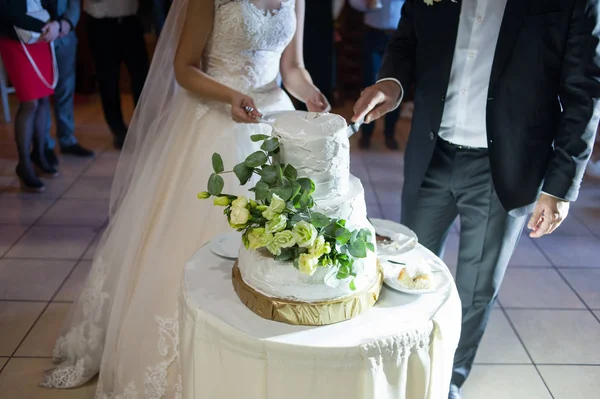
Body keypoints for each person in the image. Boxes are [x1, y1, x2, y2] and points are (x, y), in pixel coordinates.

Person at [41, 0, 330, 397]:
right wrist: (231, 94)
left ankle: (263, 345)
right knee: (199, 242)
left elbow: (291, 69)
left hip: (273, 115)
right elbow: (185, 67)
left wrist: (310, 93)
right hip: (215, 115)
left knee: (276, 241)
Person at [352, 1, 600, 398]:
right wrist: (391, 84)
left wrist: (558, 186)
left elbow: (583, 91)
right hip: (432, 153)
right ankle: (397, 373)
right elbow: (406, 41)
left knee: (474, 289)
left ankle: (445, 382)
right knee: (402, 273)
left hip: (505, 165)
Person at [0, 0, 61, 192]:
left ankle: (39, 154)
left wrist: (55, 24)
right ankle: (23, 164)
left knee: (43, 99)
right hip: (14, 36)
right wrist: (45, 27)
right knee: (30, 102)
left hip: (40, 36)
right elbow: (6, 10)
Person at [85, 0, 150, 149]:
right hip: (101, 23)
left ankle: (145, 127)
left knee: (142, 78)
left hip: (131, 21)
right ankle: (118, 130)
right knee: (108, 81)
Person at [42, 0, 95, 166]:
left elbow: (74, 5)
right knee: (41, 94)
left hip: (65, 37)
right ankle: (44, 145)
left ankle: (67, 140)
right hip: (37, 39)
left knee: (65, 89)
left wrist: (63, 24)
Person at [349, 0, 404, 150]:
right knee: (370, 84)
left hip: (400, 37)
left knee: (397, 85)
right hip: (374, 34)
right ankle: (366, 133)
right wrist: (366, 3)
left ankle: (390, 133)